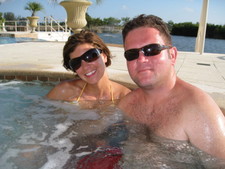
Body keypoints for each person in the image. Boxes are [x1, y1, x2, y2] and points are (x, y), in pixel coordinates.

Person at [118, 14, 225, 161]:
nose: (141, 59)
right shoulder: (126, 104)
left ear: (172, 55)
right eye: (132, 54)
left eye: (152, 50)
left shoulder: (199, 111)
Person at [47, 30, 130, 107]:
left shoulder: (125, 97)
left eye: (90, 56)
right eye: (76, 63)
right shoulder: (63, 92)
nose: (85, 66)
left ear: (104, 56)